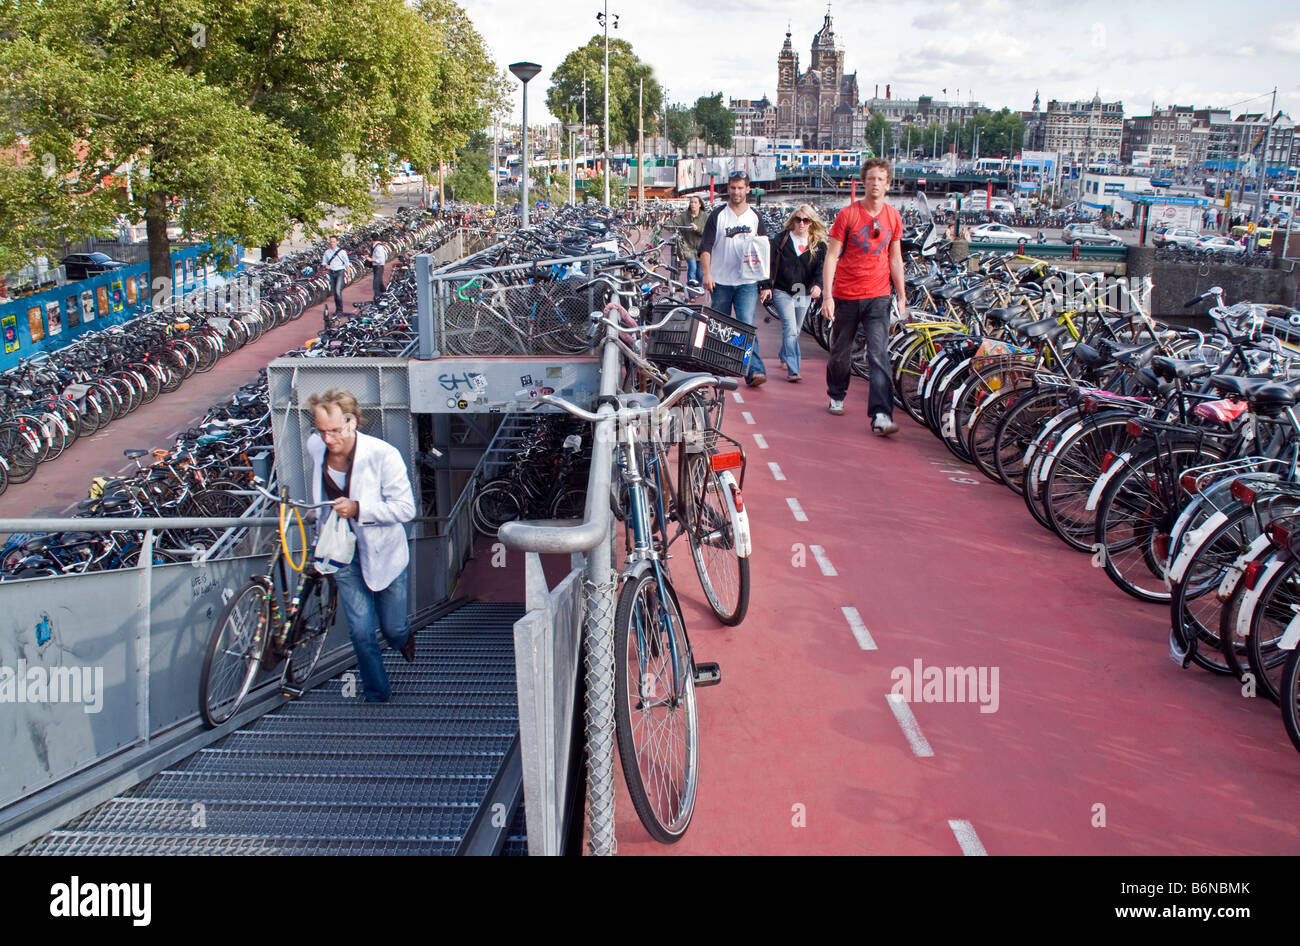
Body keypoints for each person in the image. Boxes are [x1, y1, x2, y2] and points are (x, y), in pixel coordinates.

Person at [306, 388, 416, 703]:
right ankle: (376, 693)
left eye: (335, 431)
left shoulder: (383, 455)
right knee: (360, 630)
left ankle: (404, 636)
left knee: (393, 629)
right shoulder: (317, 447)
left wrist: (358, 509)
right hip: (341, 552)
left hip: (384, 553)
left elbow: (406, 510)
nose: (328, 439)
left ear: (353, 422)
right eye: (322, 431)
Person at [822, 157, 906, 436]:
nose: (875, 184)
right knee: (840, 353)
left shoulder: (893, 217)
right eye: (871, 179)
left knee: (879, 354)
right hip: (846, 294)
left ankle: (881, 414)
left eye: (880, 179)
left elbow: (896, 258)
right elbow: (832, 255)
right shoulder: (848, 215)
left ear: (888, 184)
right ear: (863, 183)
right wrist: (827, 296)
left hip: (879, 295)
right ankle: (836, 392)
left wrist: (901, 295)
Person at [699, 170, 773, 386]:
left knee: (745, 326)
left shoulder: (754, 217)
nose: (737, 191)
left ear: (748, 189)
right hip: (720, 281)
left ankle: (754, 369)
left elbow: (763, 251)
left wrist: (766, 283)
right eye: (733, 187)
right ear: (728, 188)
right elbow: (706, 247)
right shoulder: (718, 215)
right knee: (719, 326)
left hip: (746, 282)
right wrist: (707, 273)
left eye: (741, 187)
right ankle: (718, 365)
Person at [767, 203, 826, 382]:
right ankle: (794, 369)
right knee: (790, 327)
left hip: (803, 291)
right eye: (798, 219)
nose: (801, 223)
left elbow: (821, 268)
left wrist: (818, 285)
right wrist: (767, 286)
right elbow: (770, 262)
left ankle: (784, 353)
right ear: (793, 220)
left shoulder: (818, 245)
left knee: (796, 329)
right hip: (782, 290)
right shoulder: (781, 239)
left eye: (806, 220)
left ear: (811, 223)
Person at [673, 195, 708, 285]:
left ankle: (698, 289)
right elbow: (675, 222)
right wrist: (664, 224)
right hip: (687, 247)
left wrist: (697, 229)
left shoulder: (705, 216)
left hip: (701, 248)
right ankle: (691, 292)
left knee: (700, 273)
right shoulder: (685, 216)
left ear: (700, 204)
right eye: (691, 202)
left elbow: (708, 232)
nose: (693, 204)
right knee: (693, 268)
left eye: (695, 202)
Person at [321, 235, 348, 325]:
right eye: (331, 241)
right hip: (331, 272)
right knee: (334, 292)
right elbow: (324, 262)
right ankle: (337, 309)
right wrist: (326, 266)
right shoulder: (327, 252)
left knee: (337, 291)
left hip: (340, 271)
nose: (332, 243)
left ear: (337, 242)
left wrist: (346, 272)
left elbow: (346, 263)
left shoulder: (342, 252)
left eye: (333, 241)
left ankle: (340, 310)